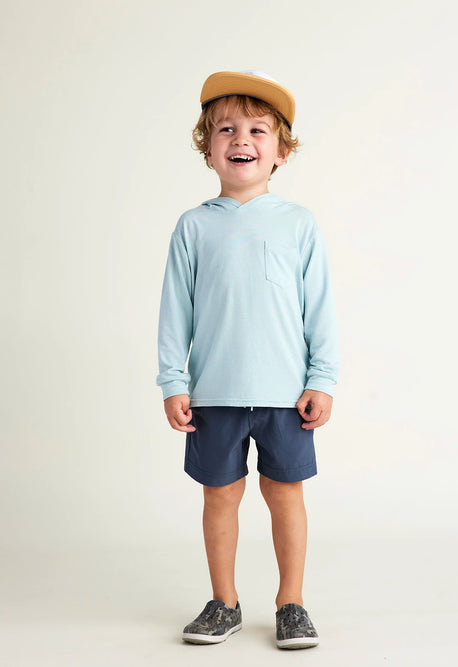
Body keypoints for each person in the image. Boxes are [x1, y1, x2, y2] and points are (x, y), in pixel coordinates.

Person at [156, 70, 339, 649]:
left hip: (287, 394)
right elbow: (175, 312)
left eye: (258, 130)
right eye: (226, 129)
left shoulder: (298, 223)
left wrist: (322, 379)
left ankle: (292, 603)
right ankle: (224, 602)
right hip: (213, 392)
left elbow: (320, 309)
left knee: (286, 495)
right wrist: (173, 382)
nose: (242, 139)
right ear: (207, 147)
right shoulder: (193, 226)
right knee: (220, 496)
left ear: (281, 152)